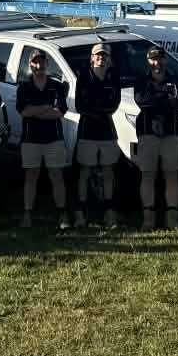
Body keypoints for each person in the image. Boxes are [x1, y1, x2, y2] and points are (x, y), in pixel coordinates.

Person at [131, 45, 178, 232]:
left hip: (171, 133)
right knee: (148, 175)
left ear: (166, 60)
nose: (157, 63)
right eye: (153, 59)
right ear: (148, 61)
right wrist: (165, 99)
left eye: (160, 59)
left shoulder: (175, 79)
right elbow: (142, 101)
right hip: (148, 133)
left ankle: (172, 219)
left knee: (172, 175)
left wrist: (157, 98)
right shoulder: (141, 80)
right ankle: (148, 219)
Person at [13, 48, 70, 229]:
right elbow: (24, 111)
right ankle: (27, 214)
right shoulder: (24, 87)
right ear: (30, 64)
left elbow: (59, 112)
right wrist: (46, 107)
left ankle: (62, 215)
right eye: (35, 62)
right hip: (31, 139)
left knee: (57, 176)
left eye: (42, 62)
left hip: (54, 139)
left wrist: (36, 111)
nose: (39, 66)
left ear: (47, 63)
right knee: (31, 176)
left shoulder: (56, 86)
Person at [73, 42, 124, 229]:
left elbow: (114, 103)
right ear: (92, 58)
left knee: (109, 170)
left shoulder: (113, 77)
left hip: (107, 131)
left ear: (109, 59)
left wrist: (97, 107)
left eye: (104, 56)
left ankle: (110, 213)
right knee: (85, 171)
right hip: (87, 131)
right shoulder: (83, 76)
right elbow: (80, 105)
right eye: (97, 55)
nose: (101, 58)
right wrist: (99, 108)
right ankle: (80, 213)